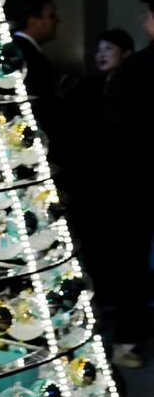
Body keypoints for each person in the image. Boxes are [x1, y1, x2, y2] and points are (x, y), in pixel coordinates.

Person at [61, 28, 134, 304]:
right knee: (90, 237)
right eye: (99, 50)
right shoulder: (87, 86)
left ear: (126, 55)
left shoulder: (131, 88)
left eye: (109, 50)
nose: (101, 55)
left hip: (117, 177)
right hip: (87, 176)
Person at [103, 0, 154, 369]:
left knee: (132, 262)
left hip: (137, 181)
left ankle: (128, 339)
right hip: (137, 179)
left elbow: (112, 127)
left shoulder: (136, 69)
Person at [11, 0, 61, 144]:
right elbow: (43, 107)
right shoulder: (31, 56)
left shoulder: (12, 48)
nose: (57, 21)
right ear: (33, 21)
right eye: (51, 16)